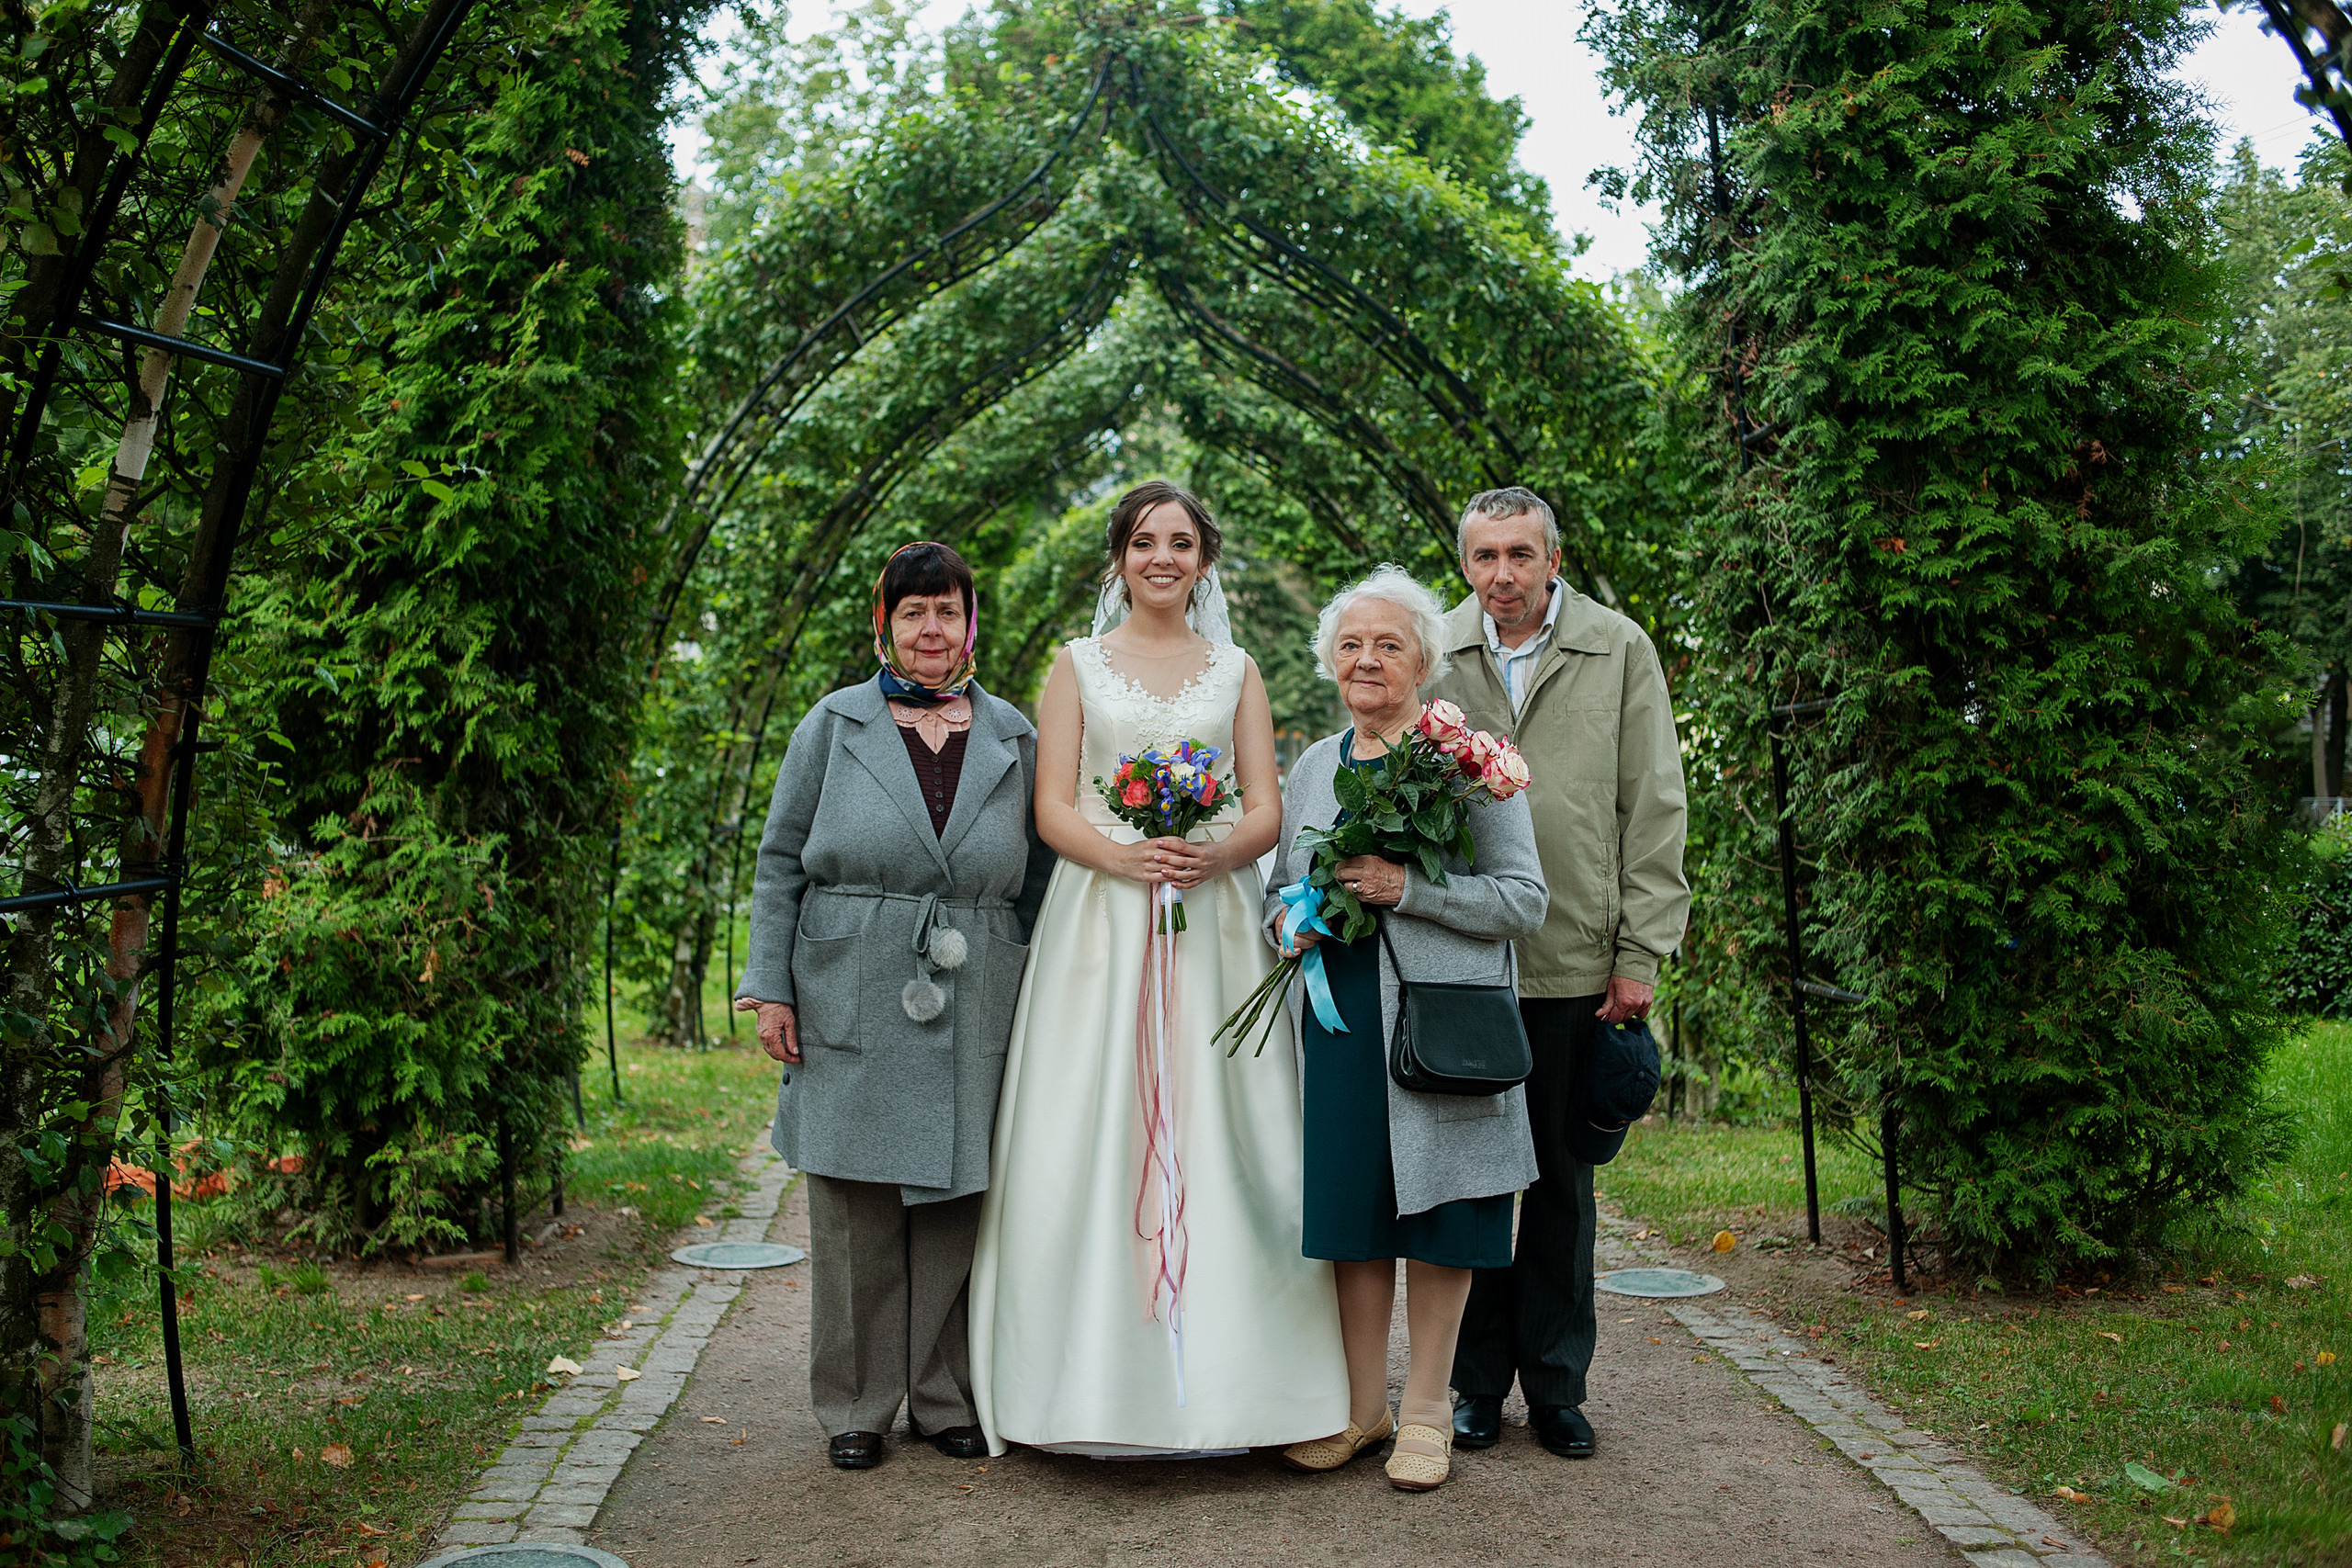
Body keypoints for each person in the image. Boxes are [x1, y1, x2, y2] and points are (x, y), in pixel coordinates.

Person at [968, 480, 1349, 1456]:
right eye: (1144, 542)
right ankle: (1083, 1386)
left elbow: (1263, 804)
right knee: (1089, 1126)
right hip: (1100, 923)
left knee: (1233, 1134)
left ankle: (1251, 1390)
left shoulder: (1236, 670)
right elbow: (1053, 805)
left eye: (1180, 543)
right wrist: (1124, 856)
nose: (1162, 559)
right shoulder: (1075, 668)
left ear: (1204, 561)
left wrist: (1216, 853)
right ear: (1119, 558)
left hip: (1212, 924)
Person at [732, 540, 1054, 1472]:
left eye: (947, 611)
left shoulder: (1014, 735)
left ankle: (944, 1396)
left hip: (976, 980)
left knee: (958, 1194)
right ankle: (857, 1406)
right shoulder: (832, 725)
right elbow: (780, 861)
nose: (930, 630)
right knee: (855, 1201)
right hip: (853, 977)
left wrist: (1027, 975)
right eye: (913, 612)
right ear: (885, 624)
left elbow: (1037, 875)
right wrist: (771, 986)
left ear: (970, 625)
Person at [1264, 564, 1547, 1492]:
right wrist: (1288, 922)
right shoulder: (1313, 767)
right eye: (1350, 645)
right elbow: (1276, 889)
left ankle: (1425, 1412)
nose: (1367, 660)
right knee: (1355, 1221)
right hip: (1341, 1025)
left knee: (1443, 1214)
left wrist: (1407, 890)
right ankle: (1361, 1409)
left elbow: (1522, 900)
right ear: (1329, 663)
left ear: (1424, 658)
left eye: (1388, 644)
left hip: (1441, 1024)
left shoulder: (1467, 763)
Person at [1426, 486, 1691, 1461]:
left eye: (1520, 556)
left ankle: (1558, 1385)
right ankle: (1473, 1385)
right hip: (1459, 960)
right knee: (1470, 1185)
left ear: (1552, 558)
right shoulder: (1433, 651)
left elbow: (1652, 805)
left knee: (1562, 1190)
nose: (1503, 575)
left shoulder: (1617, 648)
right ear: (1465, 565)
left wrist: (1638, 953)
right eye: (1485, 556)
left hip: (1573, 959)